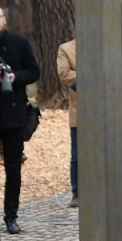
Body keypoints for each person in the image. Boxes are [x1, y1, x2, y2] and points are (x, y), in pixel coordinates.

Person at [0, 4, 41, 234]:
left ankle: (11, 216)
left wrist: (14, 77)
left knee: (13, 170)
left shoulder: (20, 42)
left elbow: (34, 71)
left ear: (5, 18)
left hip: (14, 115)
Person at [56, 38, 79, 208]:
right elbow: (64, 74)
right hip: (79, 110)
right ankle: (77, 191)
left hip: (105, 108)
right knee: (77, 155)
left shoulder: (104, 45)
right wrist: (92, 73)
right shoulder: (66, 49)